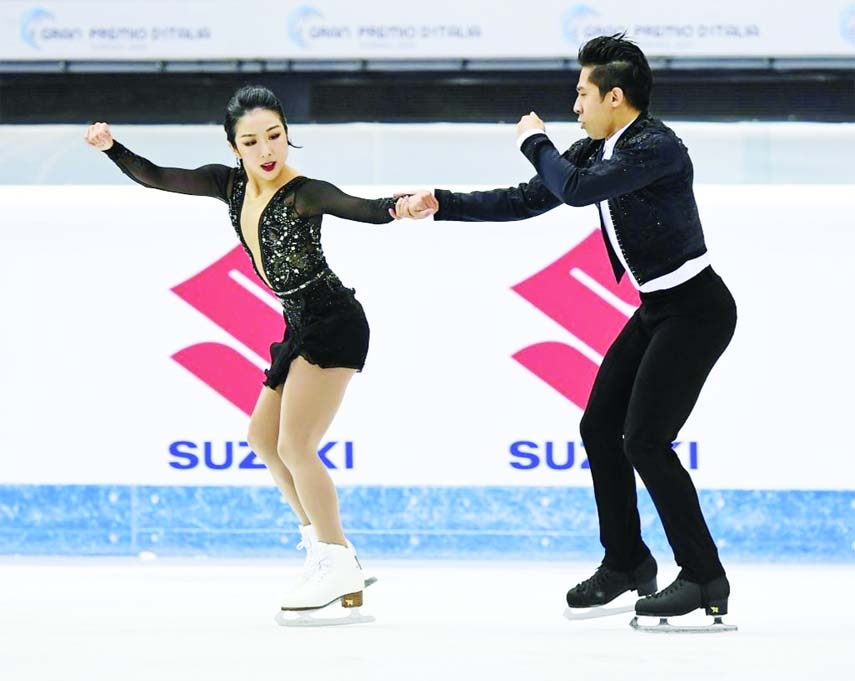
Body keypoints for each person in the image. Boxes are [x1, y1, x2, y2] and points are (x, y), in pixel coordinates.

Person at [394, 34, 737, 622]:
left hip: (697, 310)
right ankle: (627, 561)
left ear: (616, 97)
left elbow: (576, 193)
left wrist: (534, 141)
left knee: (646, 441)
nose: (575, 105)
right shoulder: (597, 149)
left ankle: (705, 577)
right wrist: (441, 201)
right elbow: (529, 199)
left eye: (582, 93)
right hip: (657, 308)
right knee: (600, 426)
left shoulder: (655, 147)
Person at [85, 84, 429, 614]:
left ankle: (336, 559)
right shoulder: (227, 186)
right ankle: (326, 551)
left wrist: (400, 207)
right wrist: (113, 148)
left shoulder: (304, 190)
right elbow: (156, 176)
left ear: (288, 135)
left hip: (333, 322)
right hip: (297, 324)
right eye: (252, 142)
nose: (267, 150)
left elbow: (360, 207)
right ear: (234, 147)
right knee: (262, 439)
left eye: (275, 136)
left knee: (295, 445)